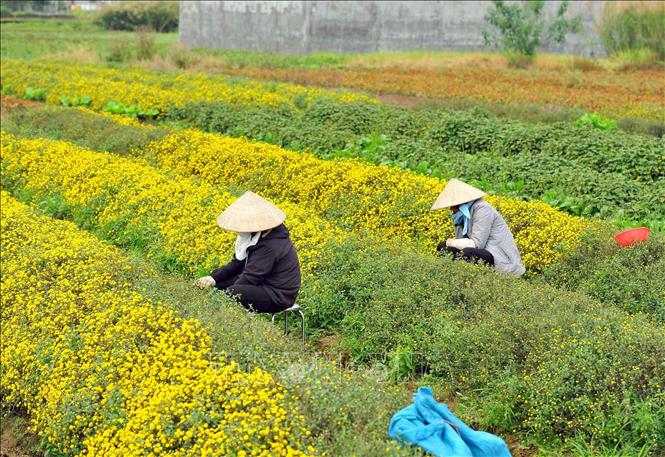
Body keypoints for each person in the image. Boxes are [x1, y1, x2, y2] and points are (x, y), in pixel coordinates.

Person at [193, 191, 301, 313]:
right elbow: (237, 265)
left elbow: (250, 277)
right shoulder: (255, 237)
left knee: (234, 292)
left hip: (278, 294)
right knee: (219, 284)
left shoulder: (271, 244)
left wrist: (222, 296)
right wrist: (213, 279)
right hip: (263, 284)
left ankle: (229, 322)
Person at [431, 179, 525, 276]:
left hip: (498, 257)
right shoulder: (461, 215)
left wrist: (449, 242)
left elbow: (476, 244)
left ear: (460, 202)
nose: (450, 208)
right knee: (444, 249)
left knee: (467, 252)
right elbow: (461, 242)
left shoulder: (483, 209)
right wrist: (448, 244)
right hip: (481, 252)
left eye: (452, 204)